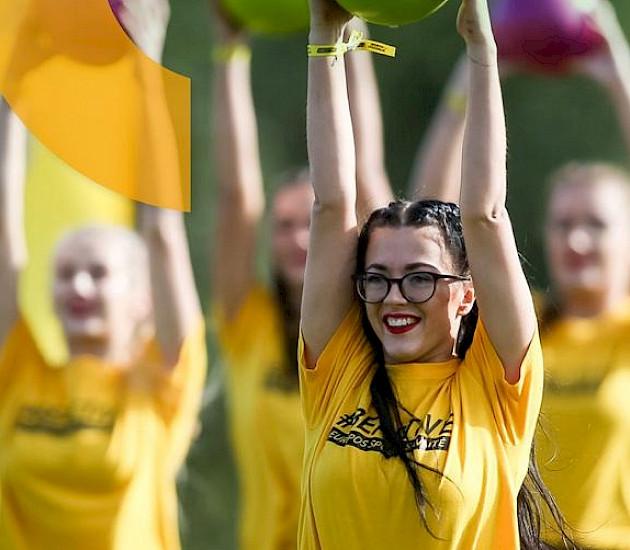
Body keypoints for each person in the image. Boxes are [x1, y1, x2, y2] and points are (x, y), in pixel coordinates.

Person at [298, 0, 576, 547]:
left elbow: (486, 215)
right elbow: (332, 205)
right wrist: (324, 40)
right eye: (376, 277)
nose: (394, 297)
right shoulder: (338, 372)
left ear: (466, 295)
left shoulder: (494, 389)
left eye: (421, 277)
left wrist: (481, 52)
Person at [0, 1, 206, 548]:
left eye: (97, 273)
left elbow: (162, 232)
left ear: (143, 297)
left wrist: (147, 67)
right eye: (66, 275)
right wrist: (11, 93)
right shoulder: (20, 374)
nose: (79, 287)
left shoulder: (161, 384)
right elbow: (6, 241)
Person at [210, 3, 392, 548]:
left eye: (310, 223)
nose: (298, 239)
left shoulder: (371, 327)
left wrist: (353, 36)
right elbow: (236, 196)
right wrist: (228, 51)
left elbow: (363, 182)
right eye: (284, 225)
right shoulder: (249, 321)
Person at [534, 5, 630, 547]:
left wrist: (617, 67)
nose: (576, 240)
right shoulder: (524, 331)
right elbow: (438, 219)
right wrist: (480, 69)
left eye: (596, 224)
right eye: (563, 223)